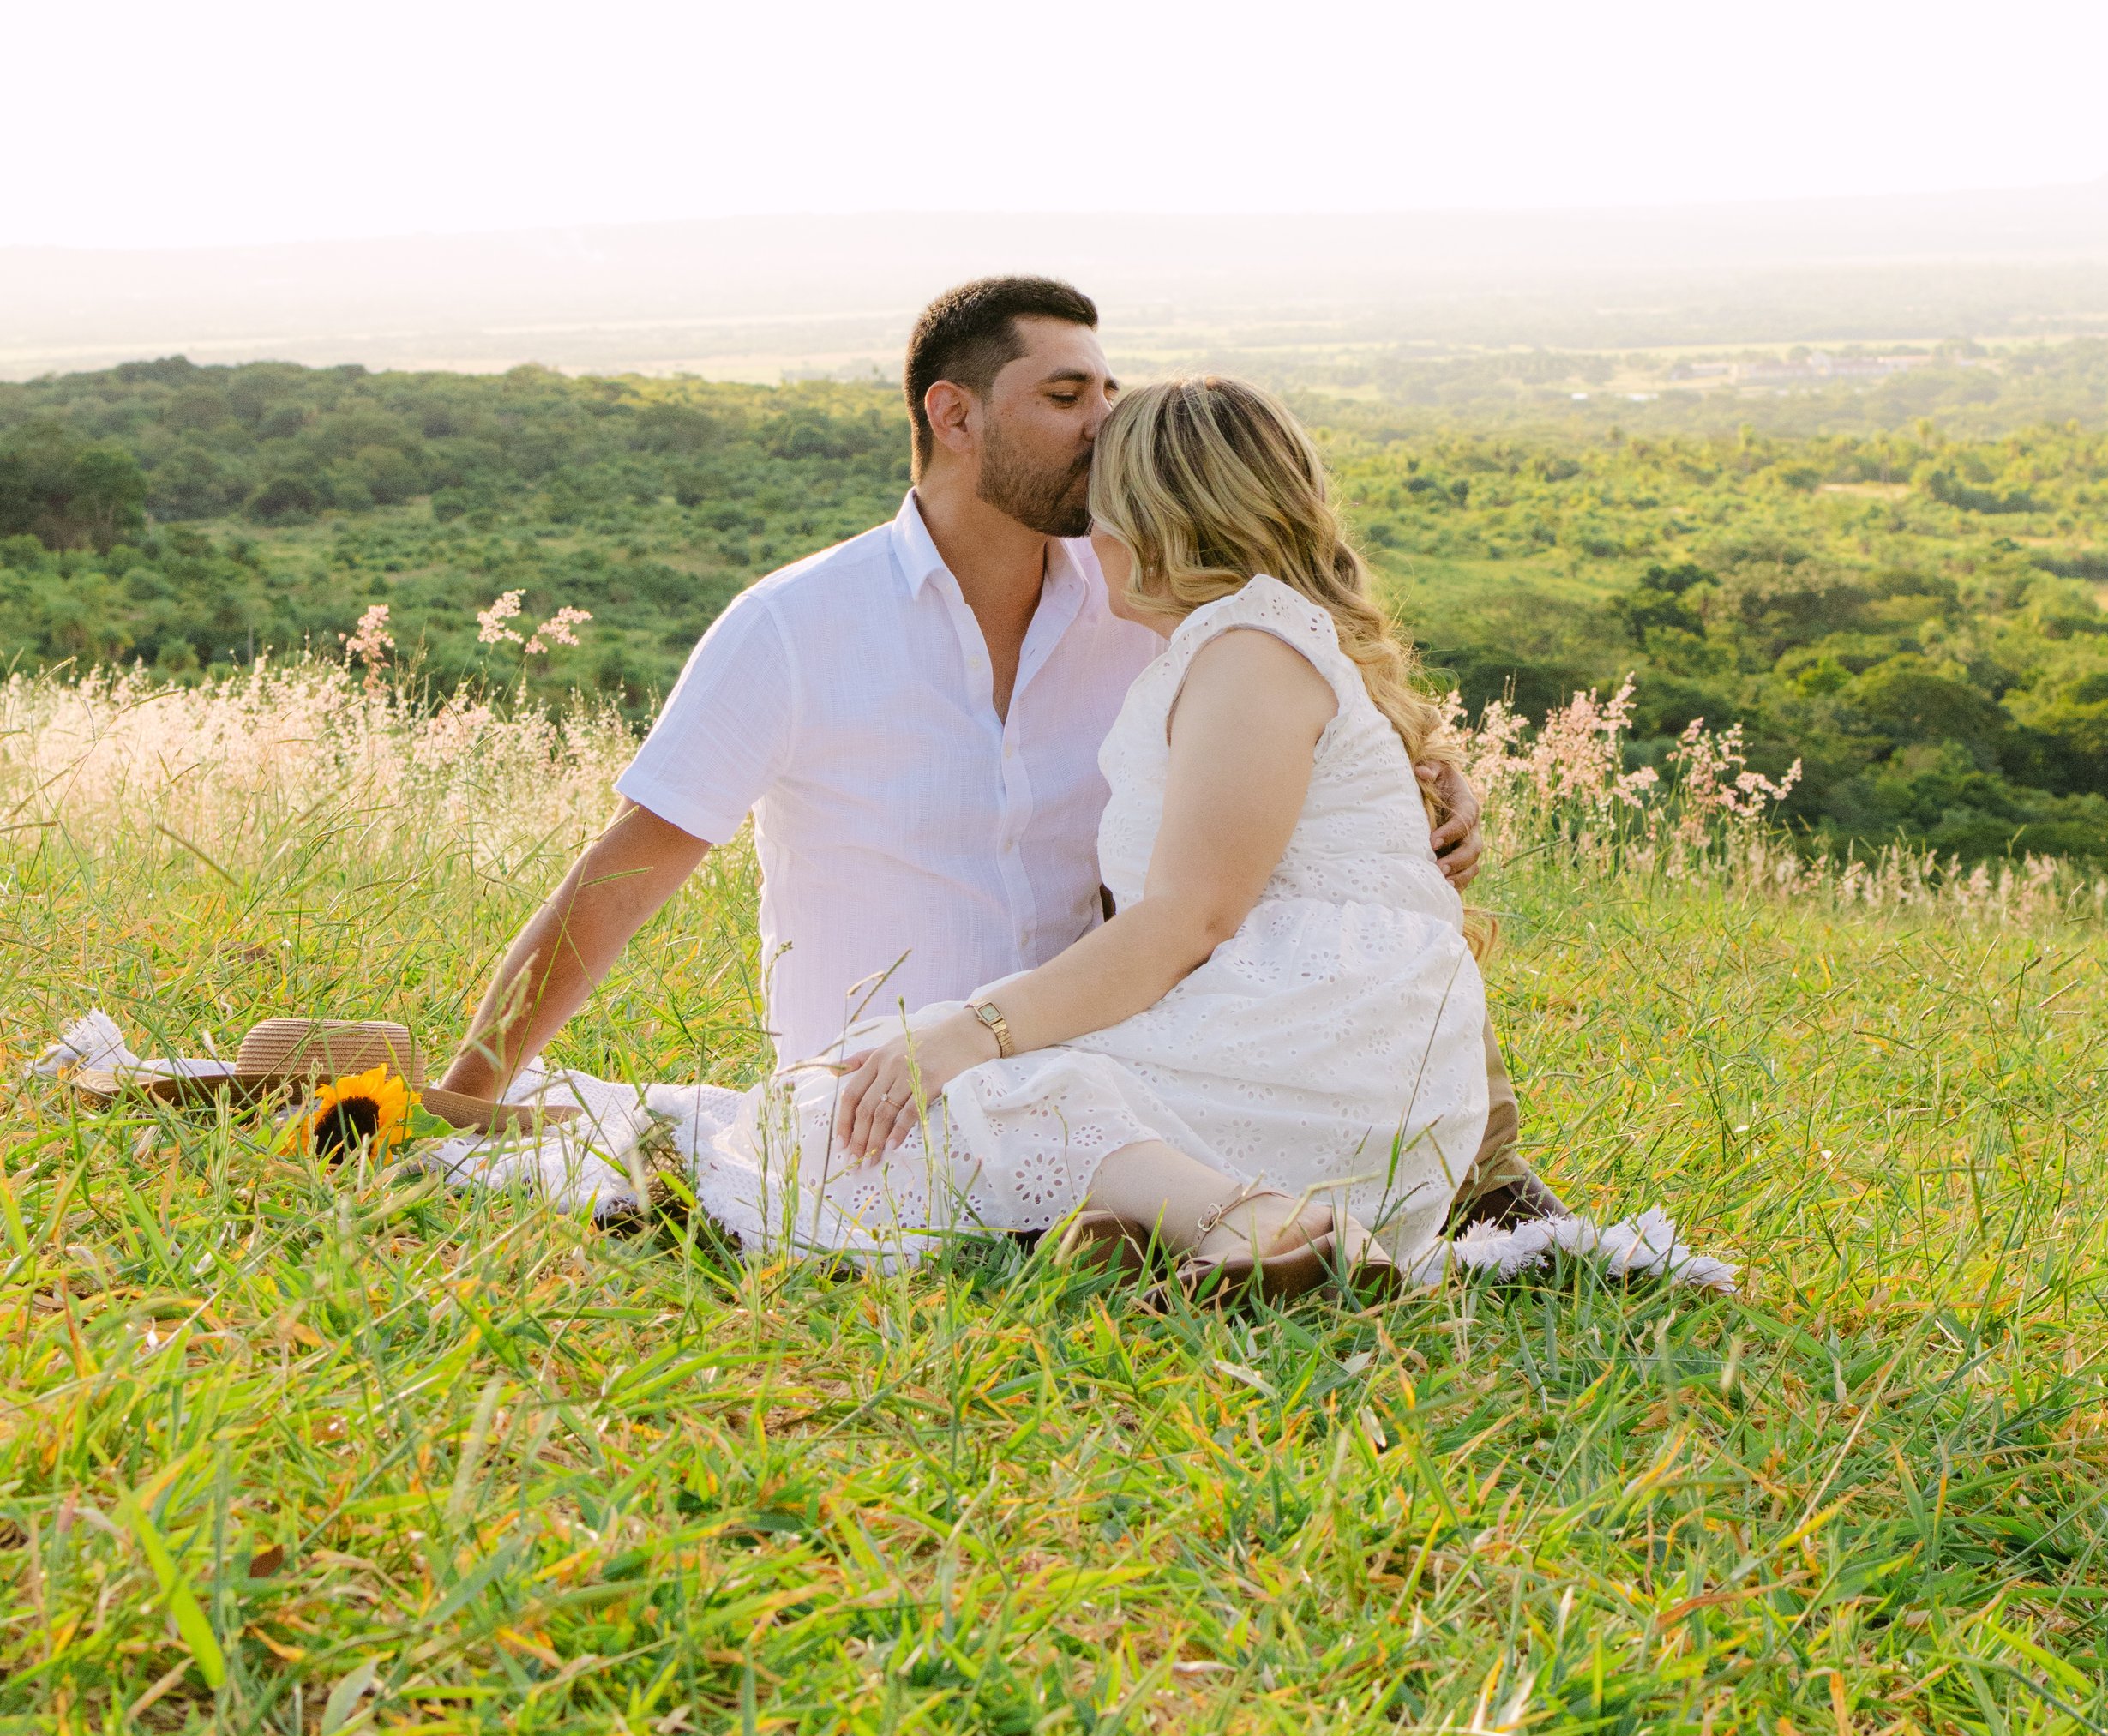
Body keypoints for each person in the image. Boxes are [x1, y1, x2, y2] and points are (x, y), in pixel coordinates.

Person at [439, 276, 1558, 1230]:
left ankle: (1472, 1181)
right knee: (703, 1144)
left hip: (1123, 1043)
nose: (1102, 423)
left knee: (1346, 964)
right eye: (1067, 396)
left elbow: (1295, 760)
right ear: (956, 414)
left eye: (1110, 393)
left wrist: (1431, 783)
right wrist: (467, 1089)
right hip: (892, 1073)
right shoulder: (795, 626)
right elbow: (625, 872)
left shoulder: (1149, 614)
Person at [663, 373, 1510, 1286]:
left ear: (1146, 523)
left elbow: (1190, 918)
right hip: (1305, 1048)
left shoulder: (1250, 654)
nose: (1086, 540)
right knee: (848, 1106)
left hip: (1321, 1060)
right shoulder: (1242, 644)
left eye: (1095, 511)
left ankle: (1268, 1221)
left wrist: (976, 1031)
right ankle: (1156, 1225)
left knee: (898, 1110)